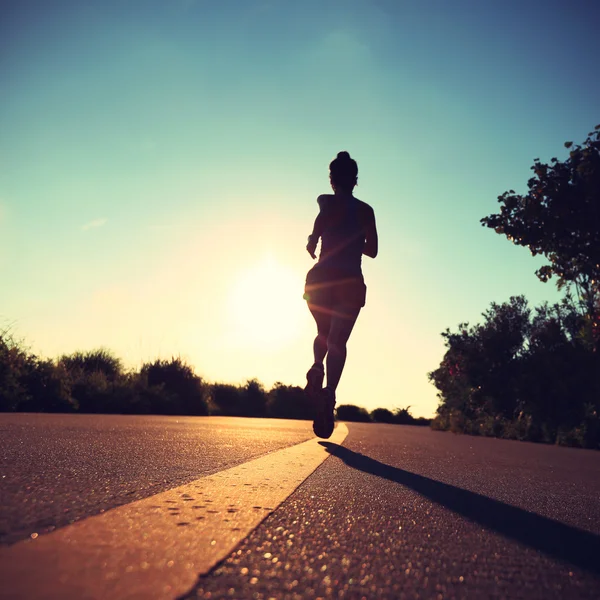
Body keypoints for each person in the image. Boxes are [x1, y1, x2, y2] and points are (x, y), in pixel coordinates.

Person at [303, 151, 378, 438]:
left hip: (320, 279)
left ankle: (315, 366)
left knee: (323, 332)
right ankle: (329, 394)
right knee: (338, 341)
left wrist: (314, 241)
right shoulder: (366, 211)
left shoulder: (326, 202)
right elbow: (372, 250)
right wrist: (352, 241)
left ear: (332, 179)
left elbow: (315, 234)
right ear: (356, 180)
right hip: (349, 281)